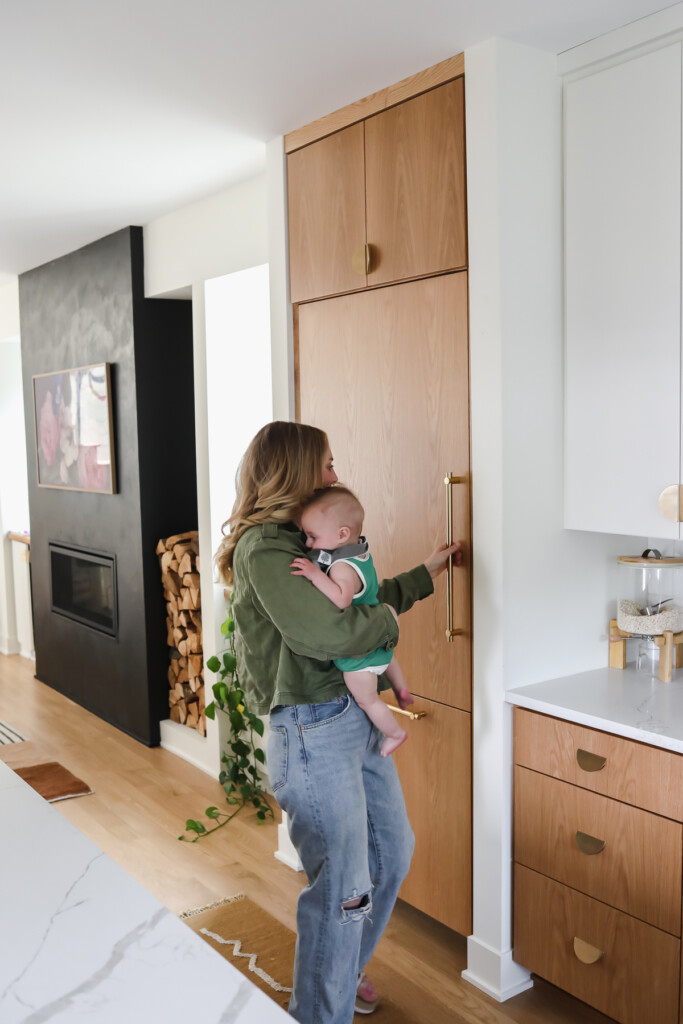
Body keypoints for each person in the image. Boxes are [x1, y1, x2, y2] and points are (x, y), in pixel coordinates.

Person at [214, 421, 461, 1024]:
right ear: (294, 470)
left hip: (353, 716)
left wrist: (427, 574)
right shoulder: (267, 548)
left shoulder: (315, 538)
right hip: (311, 729)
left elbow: (361, 591)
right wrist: (391, 629)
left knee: (391, 854)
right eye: (325, 464)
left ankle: (340, 974)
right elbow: (331, 631)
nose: (334, 473)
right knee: (343, 888)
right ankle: (320, 1011)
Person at [290, 485, 413, 757]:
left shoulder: (341, 567)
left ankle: (394, 733)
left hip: (360, 657)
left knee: (367, 699)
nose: (308, 544)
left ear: (341, 534)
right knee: (389, 660)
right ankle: (402, 690)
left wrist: (314, 575)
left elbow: (343, 598)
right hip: (379, 644)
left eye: (312, 536)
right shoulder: (360, 555)